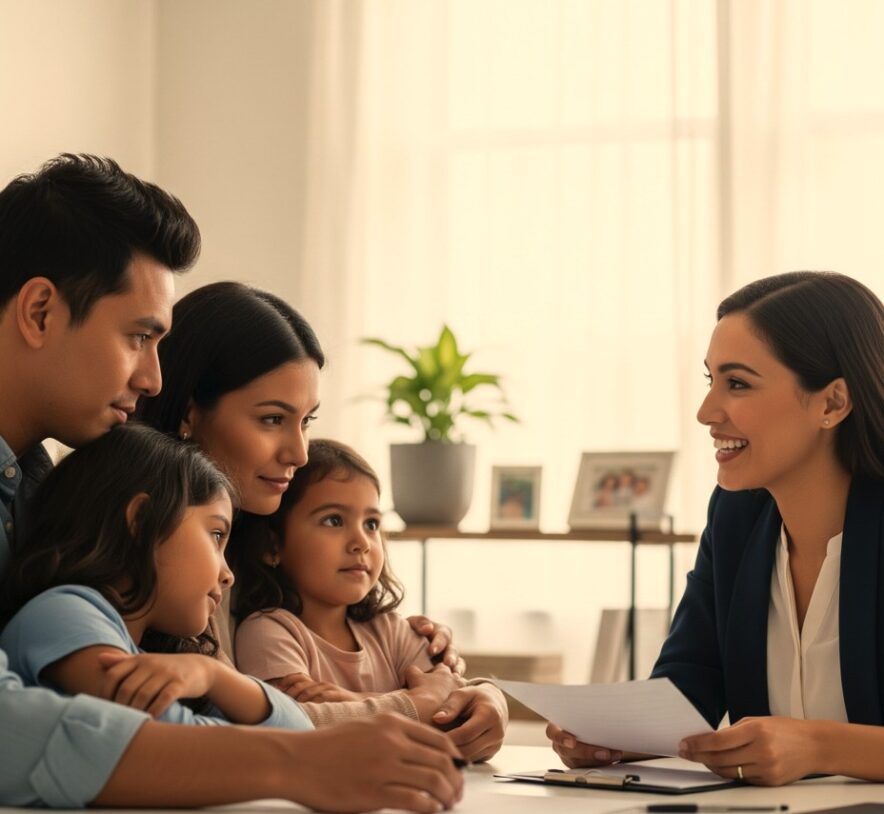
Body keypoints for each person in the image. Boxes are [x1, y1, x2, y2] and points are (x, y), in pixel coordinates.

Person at [0, 154, 463, 811]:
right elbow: (13, 730)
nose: (152, 379)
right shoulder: (85, 576)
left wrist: (468, 695)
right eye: (137, 337)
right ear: (41, 312)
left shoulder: (42, 493)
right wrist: (292, 763)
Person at [137, 281, 508, 756]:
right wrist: (415, 705)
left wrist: (481, 696)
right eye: (272, 419)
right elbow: (245, 723)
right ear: (189, 411)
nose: (298, 452)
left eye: (307, 420)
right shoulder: (157, 545)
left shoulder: (259, 534)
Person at [547, 271, 884, 787]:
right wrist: (614, 734)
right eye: (712, 380)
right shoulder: (736, 518)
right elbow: (688, 687)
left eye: (739, 383)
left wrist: (817, 745)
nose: (707, 412)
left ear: (832, 403)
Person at [0, 423, 315, 728]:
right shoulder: (61, 614)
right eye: (217, 534)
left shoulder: (156, 655)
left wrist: (212, 674)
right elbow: (169, 746)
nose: (227, 574)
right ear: (142, 520)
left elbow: (300, 731)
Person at [233, 439, 501, 761]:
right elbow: (295, 728)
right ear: (272, 546)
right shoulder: (268, 631)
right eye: (333, 520)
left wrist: (350, 700)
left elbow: (451, 704)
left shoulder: (390, 630)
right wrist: (414, 702)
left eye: (371, 523)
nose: (361, 542)